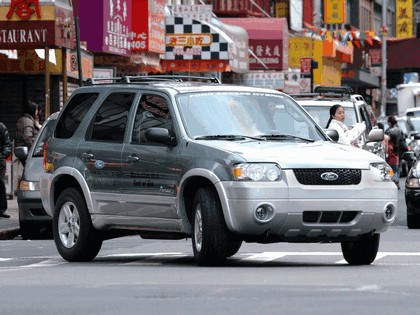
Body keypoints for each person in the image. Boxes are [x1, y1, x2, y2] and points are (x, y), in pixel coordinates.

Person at [14, 100, 42, 165]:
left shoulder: (25, 119)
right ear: (32, 110)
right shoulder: (28, 121)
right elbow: (28, 138)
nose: (37, 112)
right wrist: (35, 150)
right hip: (27, 151)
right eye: (36, 110)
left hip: (24, 151)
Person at [0, 121, 12, 218]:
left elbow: (7, 144)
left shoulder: (1, 126)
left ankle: (1, 209)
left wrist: (2, 155)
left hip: (0, 160)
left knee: (0, 183)